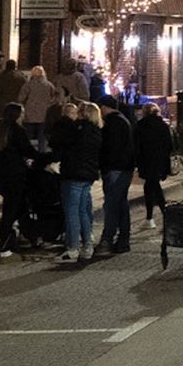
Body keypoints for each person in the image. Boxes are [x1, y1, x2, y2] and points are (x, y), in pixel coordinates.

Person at [0, 101, 35, 259]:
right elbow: (28, 151)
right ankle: (3, 247)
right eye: (22, 114)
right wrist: (43, 159)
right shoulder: (17, 131)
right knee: (12, 210)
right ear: (18, 116)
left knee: (16, 206)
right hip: (14, 176)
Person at [56, 102, 103, 263]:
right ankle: (87, 246)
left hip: (73, 173)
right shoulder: (97, 131)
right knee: (83, 211)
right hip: (88, 175)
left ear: (83, 113)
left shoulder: (76, 129)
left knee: (71, 212)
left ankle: (73, 247)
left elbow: (61, 145)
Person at [96, 99, 136, 255]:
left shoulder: (113, 124)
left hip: (115, 168)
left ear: (105, 108)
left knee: (112, 205)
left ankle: (108, 239)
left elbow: (110, 148)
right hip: (123, 167)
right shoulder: (124, 121)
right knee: (121, 204)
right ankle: (123, 239)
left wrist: (104, 164)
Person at [135, 99, 174, 231]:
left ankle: (155, 218)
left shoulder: (140, 125)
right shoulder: (163, 126)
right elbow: (171, 145)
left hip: (146, 161)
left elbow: (137, 145)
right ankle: (155, 217)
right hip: (161, 161)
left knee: (152, 187)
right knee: (153, 186)